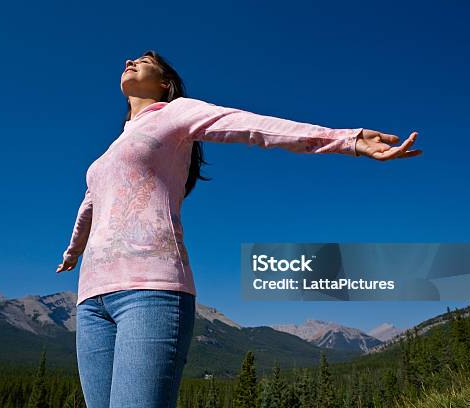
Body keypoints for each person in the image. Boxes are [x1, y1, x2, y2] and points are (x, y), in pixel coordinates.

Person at [56, 50, 422, 408]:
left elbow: (253, 126)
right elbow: (90, 203)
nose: (129, 62)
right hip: (90, 299)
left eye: (144, 62)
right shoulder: (110, 150)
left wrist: (347, 140)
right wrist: (73, 251)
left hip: (149, 290)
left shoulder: (174, 114)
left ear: (165, 84)